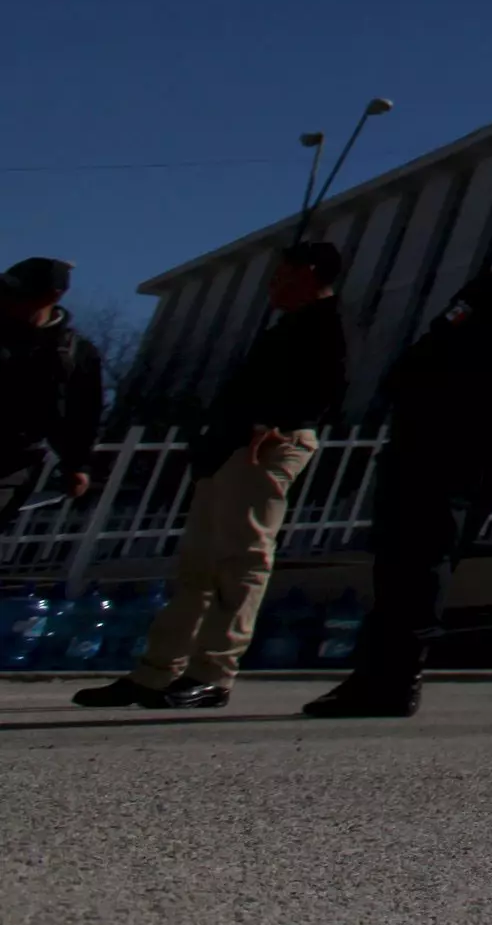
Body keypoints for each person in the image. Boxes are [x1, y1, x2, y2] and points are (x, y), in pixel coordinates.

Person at [305, 198, 492, 719]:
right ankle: (394, 671)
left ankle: (388, 677)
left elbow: (442, 341)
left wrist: (402, 387)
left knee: (409, 550)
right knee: (437, 551)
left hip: (445, 428)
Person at [75, 240, 352, 710]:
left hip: (267, 444)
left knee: (241, 559)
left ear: (305, 273)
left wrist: (275, 424)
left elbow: (327, 389)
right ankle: (157, 670)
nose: (271, 287)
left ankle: (214, 671)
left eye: (279, 275)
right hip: (231, 445)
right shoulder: (286, 328)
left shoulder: (328, 325)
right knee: (198, 565)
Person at [1, 256, 105, 524]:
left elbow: (83, 414)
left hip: (12, 462)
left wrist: (77, 465)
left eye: (17, 293)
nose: (7, 300)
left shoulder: (74, 353)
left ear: (52, 296)